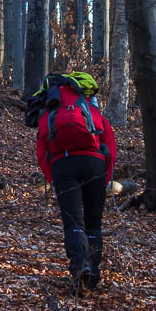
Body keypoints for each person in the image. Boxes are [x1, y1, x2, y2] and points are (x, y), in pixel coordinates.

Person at [32, 71, 116, 292]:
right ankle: (94, 274)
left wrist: (52, 178)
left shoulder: (50, 108)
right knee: (93, 221)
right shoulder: (89, 107)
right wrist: (106, 177)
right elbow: (109, 142)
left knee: (73, 221)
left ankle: (80, 266)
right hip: (94, 162)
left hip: (63, 164)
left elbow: (42, 149)